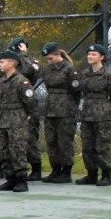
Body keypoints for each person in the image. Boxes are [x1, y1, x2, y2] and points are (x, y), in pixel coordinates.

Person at [77, 44, 111, 186]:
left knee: (102, 145)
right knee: (87, 146)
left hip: (103, 116)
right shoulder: (85, 73)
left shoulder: (108, 75)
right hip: (87, 114)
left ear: (101, 57)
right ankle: (91, 174)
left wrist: (108, 110)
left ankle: (106, 175)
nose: (90, 57)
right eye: (89, 54)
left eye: (94, 54)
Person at [0, 50, 37, 192]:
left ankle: (21, 180)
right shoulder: (1, 81)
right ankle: (10, 179)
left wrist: (28, 114)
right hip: (3, 118)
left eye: (2, 62)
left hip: (17, 119)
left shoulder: (21, 81)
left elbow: (30, 100)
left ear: (11, 63)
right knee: (3, 150)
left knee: (17, 149)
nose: (0, 65)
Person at [39, 42, 80, 183]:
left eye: (51, 58)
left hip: (66, 110)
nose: (49, 62)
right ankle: (55, 169)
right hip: (51, 109)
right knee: (51, 141)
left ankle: (66, 171)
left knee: (65, 141)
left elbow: (76, 91)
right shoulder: (47, 69)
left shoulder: (69, 69)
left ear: (58, 54)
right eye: (47, 60)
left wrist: (72, 107)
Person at [9, 36, 43, 180]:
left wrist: (24, 54)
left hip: (27, 103)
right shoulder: (11, 63)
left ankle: (36, 168)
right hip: (12, 105)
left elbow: (29, 72)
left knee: (30, 139)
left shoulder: (32, 62)